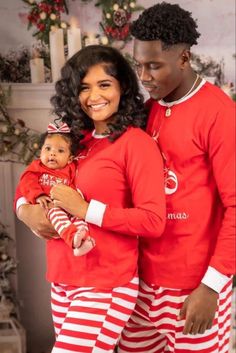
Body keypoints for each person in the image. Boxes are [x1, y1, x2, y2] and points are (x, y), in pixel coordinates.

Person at [15, 45, 166, 352]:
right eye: (84, 87)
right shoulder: (72, 142)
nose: (94, 96)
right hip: (62, 278)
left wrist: (84, 209)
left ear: (122, 86)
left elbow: (153, 220)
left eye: (104, 84)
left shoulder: (136, 144)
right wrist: (24, 211)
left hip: (106, 283)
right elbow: (33, 176)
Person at [116, 2, 235, 353]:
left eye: (154, 65)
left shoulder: (219, 113)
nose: (144, 76)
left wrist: (212, 286)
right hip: (138, 285)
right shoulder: (147, 110)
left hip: (193, 288)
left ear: (183, 59)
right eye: (139, 65)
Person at [18, 121, 95, 256]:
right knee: (56, 214)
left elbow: (77, 183)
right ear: (41, 151)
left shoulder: (71, 168)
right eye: (48, 149)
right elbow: (27, 182)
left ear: (70, 158)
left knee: (79, 219)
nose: (52, 154)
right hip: (49, 206)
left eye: (60, 151)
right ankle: (73, 240)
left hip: (69, 206)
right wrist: (38, 196)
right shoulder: (37, 167)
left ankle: (83, 240)